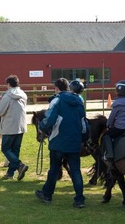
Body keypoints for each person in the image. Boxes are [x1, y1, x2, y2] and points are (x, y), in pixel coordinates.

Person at [35, 78, 87, 208]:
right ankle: (79, 199)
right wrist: (83, 138)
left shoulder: (56, 100)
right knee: (75, 170)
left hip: (58, 140)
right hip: (74, 141)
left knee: (53, 169)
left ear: (56, 88)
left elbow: (49, 119)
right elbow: (83, 123)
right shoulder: (79, 101)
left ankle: (47, 195)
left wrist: (42, 127)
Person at [0, 75, 28, 181]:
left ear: (8, 84)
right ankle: (10, 173)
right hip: (21, 125)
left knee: (5, 148)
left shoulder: (8, 96)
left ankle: (19, 165)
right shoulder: (23, 94)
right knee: (15, 150)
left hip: (9, 125)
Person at [102, 80, 125, 167]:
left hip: (121, 127)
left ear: (120, 90)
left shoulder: (117, 103)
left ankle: (109, 155)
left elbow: (112, 117)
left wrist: (108, 125)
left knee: (106, 135)